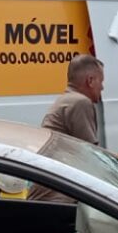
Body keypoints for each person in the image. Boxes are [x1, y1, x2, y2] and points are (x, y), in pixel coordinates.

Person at [28, 55, 105, 204]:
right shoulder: (80, 102)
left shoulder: (65, 100)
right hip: (57, 199)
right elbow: (91, 155)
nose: (102, 87)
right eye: (101, 81)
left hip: (48, 196)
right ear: (90, 81)